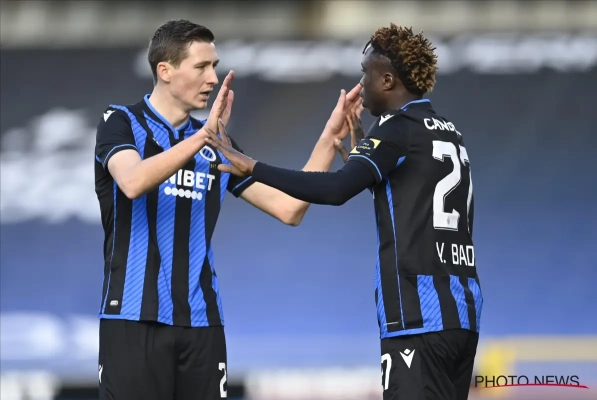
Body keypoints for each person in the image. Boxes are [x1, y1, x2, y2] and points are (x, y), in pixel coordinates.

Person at [206, 24, 483, 400]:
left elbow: (336, 189)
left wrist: (251, 165)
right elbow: (410, 196)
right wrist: (363, 150)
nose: (361, 85)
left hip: (418, 315)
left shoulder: (396, 129)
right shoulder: (447, 132)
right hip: (462, 312)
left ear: (387, 80)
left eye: (366, 74)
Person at [94, 19, 360, 400]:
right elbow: (133, 181)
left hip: (202, 324)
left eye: (214, 66)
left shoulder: (216, 144)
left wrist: (329, 138)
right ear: (165, 71)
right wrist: (204, 137)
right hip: (132, 321)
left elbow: (289, 208)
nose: (213, 78)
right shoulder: (121, 122)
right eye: (201, 66)